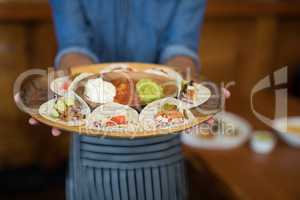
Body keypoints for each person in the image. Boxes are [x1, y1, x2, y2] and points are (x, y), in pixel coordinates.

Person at [28, 1, 227, 199]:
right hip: (91, 127)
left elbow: (181, 49)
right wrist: (67, 94)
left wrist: (189, 90)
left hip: (163, 128)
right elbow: (73, 47)